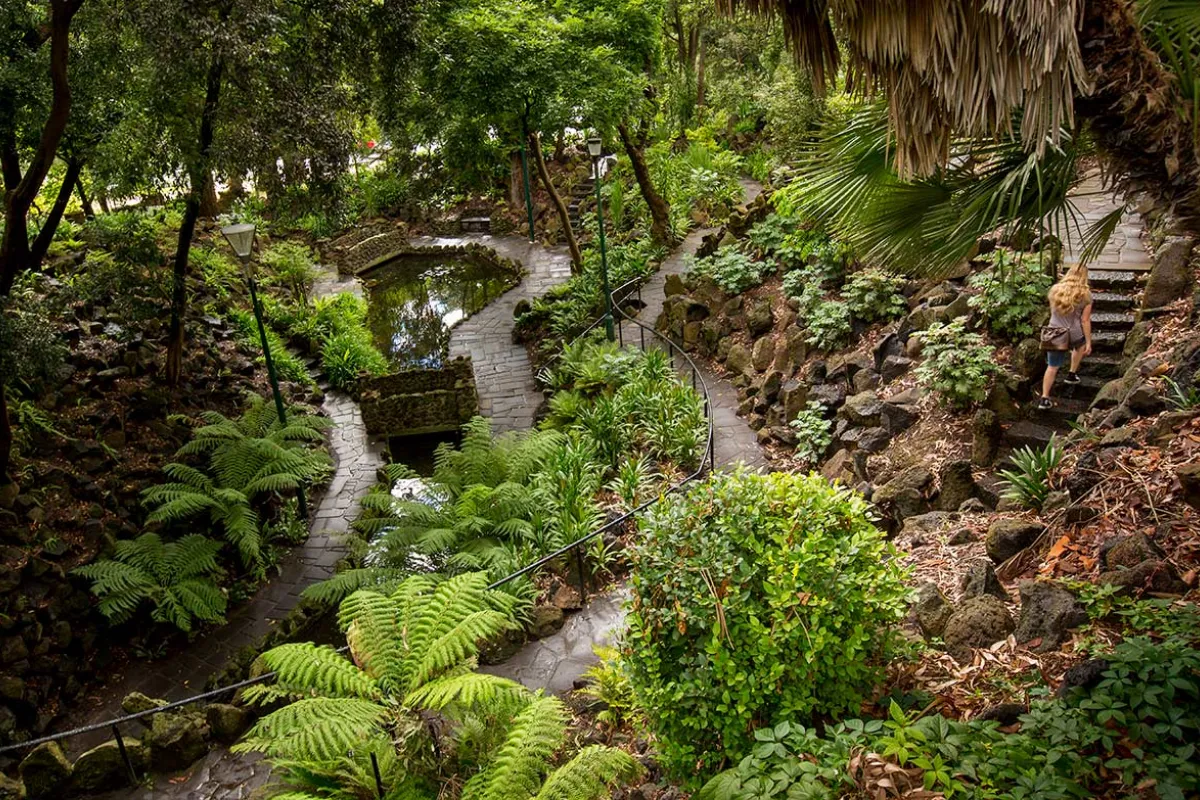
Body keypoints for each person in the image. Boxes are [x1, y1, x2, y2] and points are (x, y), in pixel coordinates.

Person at [1039, 263, 1093, 410]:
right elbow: (1085, 320)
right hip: (1074, 332)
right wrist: (1088, 342)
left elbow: (1053, 312)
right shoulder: (1086, 295)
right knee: (1080, 344)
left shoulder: (1054, 290)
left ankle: (1044, 398)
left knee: (1052, 366)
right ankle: (1071, 373)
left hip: (1056, 333)